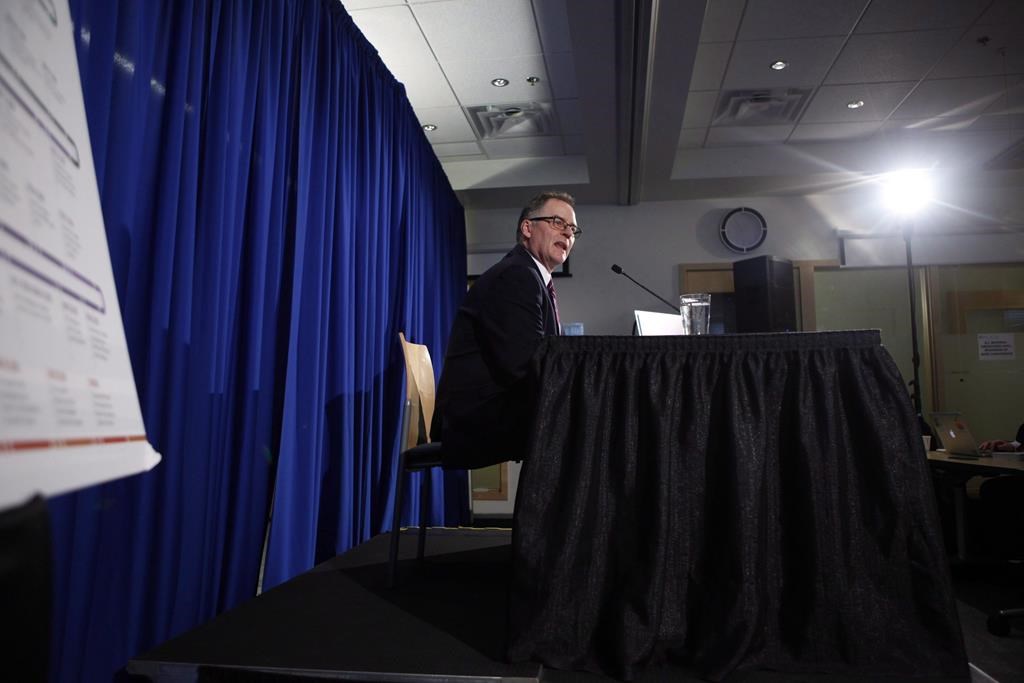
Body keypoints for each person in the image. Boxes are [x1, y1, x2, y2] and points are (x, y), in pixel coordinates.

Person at [430, 190, 579, 468]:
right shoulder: (516, 276)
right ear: (527, 227)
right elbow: (524, 365)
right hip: (474, 419)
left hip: (491, 409)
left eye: (572, 229)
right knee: (585, 426)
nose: (567, 234)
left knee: (581, 420)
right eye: (557, 222)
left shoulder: (530, 276)